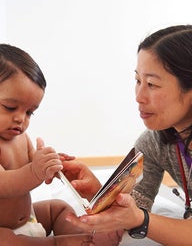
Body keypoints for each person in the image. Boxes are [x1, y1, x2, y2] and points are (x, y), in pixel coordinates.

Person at [62, 25, 192, 246]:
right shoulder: (153, 142)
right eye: (138, 81)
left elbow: (140, 218)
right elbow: (137, 207)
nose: (139, 97)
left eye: (151, 84)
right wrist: (103, 194)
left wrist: (139, 220)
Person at [0, 43, 96, 246]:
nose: (21, 119)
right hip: (4, 232)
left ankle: (83, 237)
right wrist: (36, 171)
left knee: (58, 207)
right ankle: (57, 243)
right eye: (10, 107)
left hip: (30, 218)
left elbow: (32, 161)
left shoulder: (21, 138)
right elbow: (5, 184)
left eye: (29, 112)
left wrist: (49, 163)